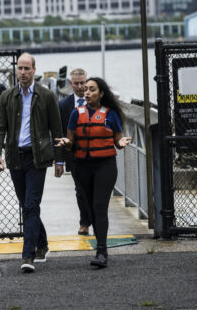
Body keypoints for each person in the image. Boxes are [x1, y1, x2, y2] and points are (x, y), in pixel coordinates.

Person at [0, 53, 64, 273]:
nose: (22, 72)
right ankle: (42, 243)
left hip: (38, 157)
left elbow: (57, 129)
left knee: (31, 205)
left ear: (34, 70)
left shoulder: (46, 96)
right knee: (26, 205)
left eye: (26, 68)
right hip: (15, 157)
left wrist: (59, 159)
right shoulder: (6, 96)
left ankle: (28, 255)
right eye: (19, 68)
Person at [55, 77, 131, 269]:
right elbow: (71, 142)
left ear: (101, 93)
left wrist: (121, 144)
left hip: (105, 166)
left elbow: (118, 140)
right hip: (82, 166)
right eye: (86, 89)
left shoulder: (111, 114)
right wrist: (66, 143)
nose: (87, 93)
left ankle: (102, 251)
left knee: (99, 206)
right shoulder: (75, 114)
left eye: (92, 89)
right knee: (89, 207)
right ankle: (100, 248)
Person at [58, 68, 91, 236]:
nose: (80, 87)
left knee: (96, 190)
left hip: (95, 153)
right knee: (80, 190)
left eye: (83, 83)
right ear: (71, 84)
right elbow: (60, 132)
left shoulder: (96, 102)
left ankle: (96, 219)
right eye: (76, 83)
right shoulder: (64, 105)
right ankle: (84, 222)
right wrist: (60, 161)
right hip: (75, 156)